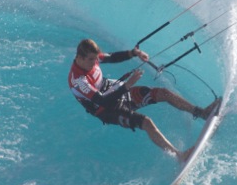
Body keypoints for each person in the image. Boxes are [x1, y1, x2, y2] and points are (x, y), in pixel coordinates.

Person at [68, 38, 218, 161]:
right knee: (146, 122)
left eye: (96, 59)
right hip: (106, 109)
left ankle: (202, 113)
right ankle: (180, 156)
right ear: (80, 58)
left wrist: (134, 53)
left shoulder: (91, 58)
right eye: (91, 60)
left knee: (163, 93)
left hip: (116, 91)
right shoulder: (78, 80)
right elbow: (102, 101)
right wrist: (127, 86)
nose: (95, 62)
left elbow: (112, 57)